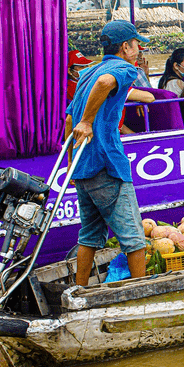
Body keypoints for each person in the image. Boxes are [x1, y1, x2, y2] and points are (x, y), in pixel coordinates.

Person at [64, 20, 149, 286]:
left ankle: (79, 291)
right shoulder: (123, 68)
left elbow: (68, 121)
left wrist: (70, 165)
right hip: (107, 163)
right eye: (136, 45)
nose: (138, 50)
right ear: (125, 46)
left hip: (83, 166)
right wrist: (88, 121)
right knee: (134, 239)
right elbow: (105, 82)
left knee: (89, 235)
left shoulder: (87, 72)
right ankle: (141, 296)